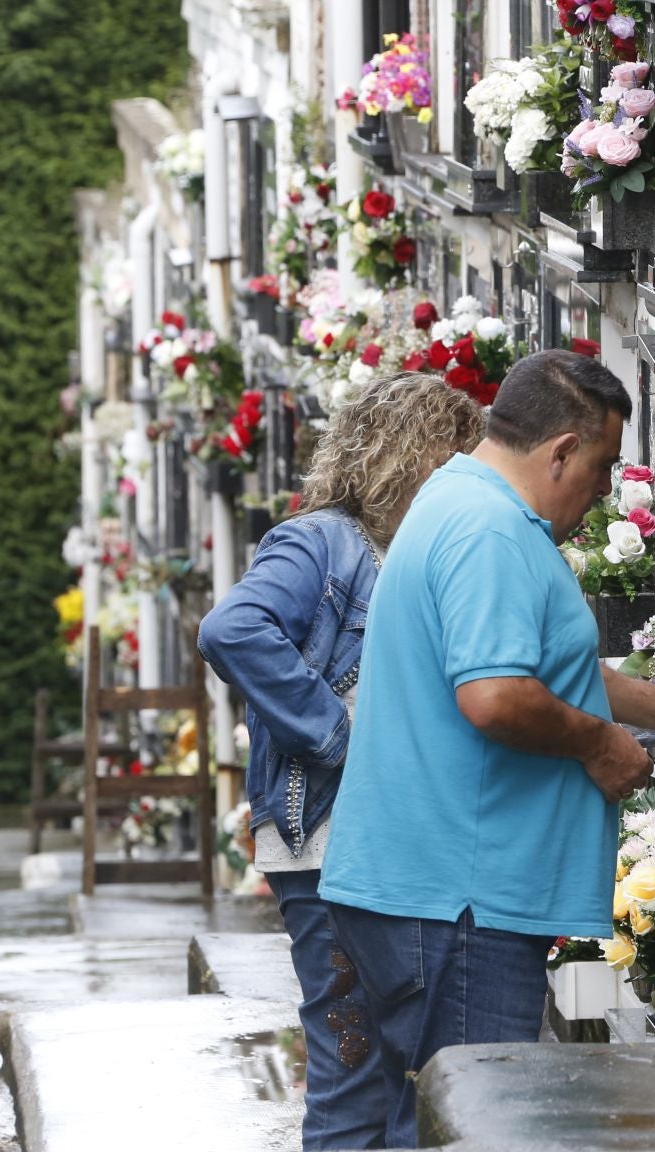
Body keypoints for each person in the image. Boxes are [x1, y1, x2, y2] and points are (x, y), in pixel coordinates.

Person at [319, 349, 655, 1147]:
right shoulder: (489, 531)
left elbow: (546, 668)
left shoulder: (461, 498)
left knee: (417, 1125)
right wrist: (599, 746)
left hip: (425, 891)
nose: (600, 494)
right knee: (482, 1129)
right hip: (458, 904)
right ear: (559, 449)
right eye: (599, 468)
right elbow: (494, 696)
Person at [197, 374, 486, 1152]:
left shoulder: (404, 547)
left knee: (402, 1074)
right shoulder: (322, 540)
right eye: (459, 459)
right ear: (414, 457)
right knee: (353, 1068)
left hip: (384, 842)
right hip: (329, 841)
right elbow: (233, 630)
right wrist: (342, 741)